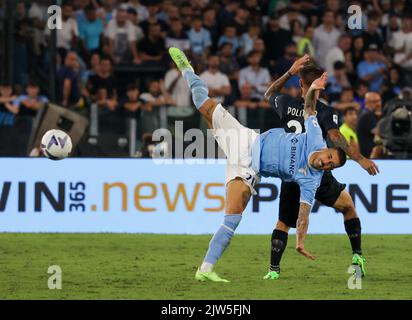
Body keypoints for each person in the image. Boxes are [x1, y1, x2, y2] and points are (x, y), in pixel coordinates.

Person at [168, 47, 348, 282]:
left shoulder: (310, 180)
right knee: (204, 104)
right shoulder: (314, 136)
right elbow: (309, 109)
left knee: (233, 216)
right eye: (330, 158)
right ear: (326, 149)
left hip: (249, 169)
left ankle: (205, 269)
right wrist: (313, 88)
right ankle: (187, 69)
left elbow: (303, 215)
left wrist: (300, 241)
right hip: (246, 139)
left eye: (330, 166)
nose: (326, 164)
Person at [263, 55, 379, 280]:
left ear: (300, 84)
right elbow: (336, 138)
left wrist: (289, 72)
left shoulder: (286, 104)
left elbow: (268, 94)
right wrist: (361, 159)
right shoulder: (327, 112)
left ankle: (273, 270)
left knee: (284, 222)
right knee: (348, 207)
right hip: (317, 172)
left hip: (290, 171)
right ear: (321, 87)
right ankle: (357, 256)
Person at [357, 92, 382, 158]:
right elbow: (380, 133)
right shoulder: (366, 115)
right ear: (367, 102)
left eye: (379, 100)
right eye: (374, 101)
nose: (378, 104)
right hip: (369, 156)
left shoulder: (371, 115)